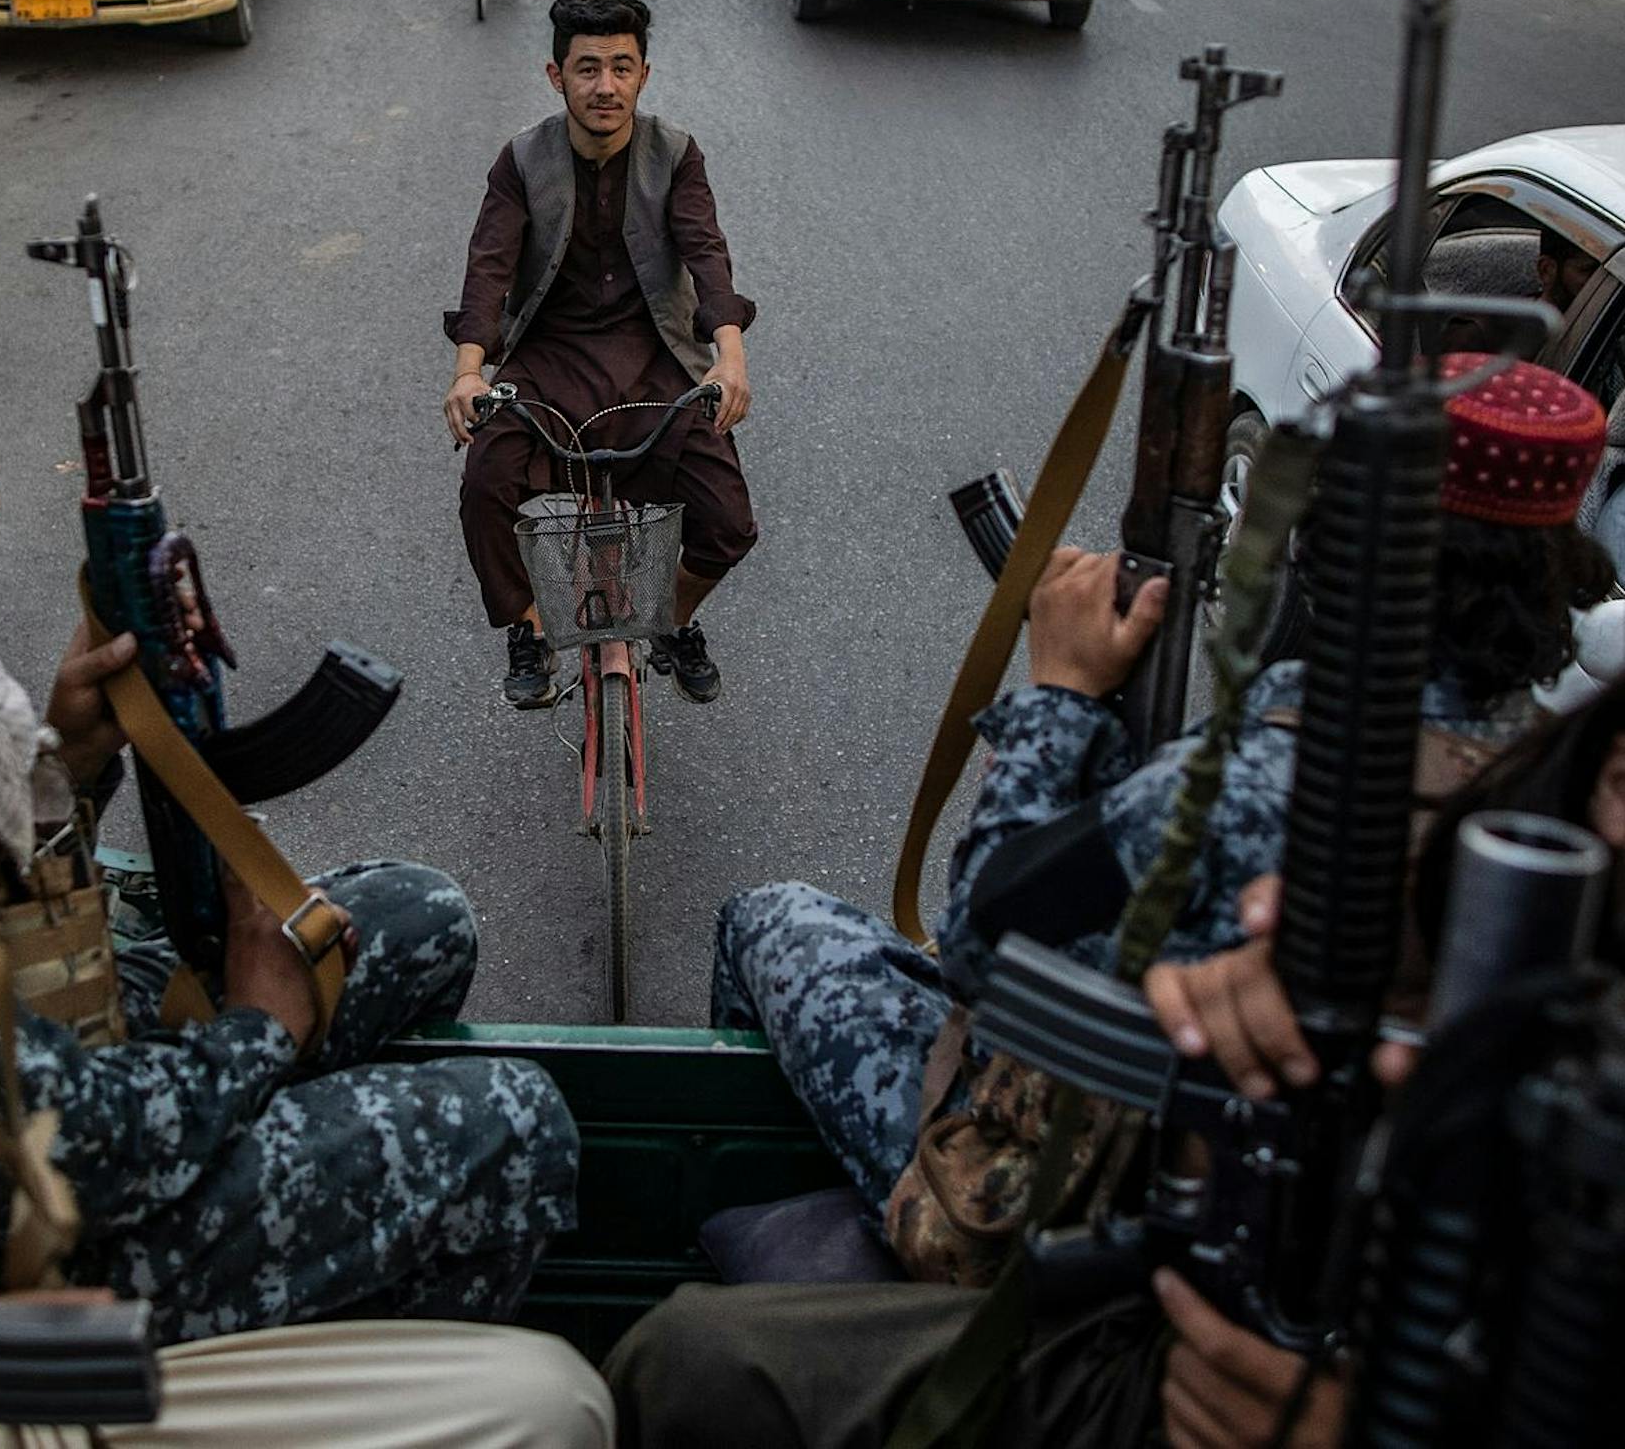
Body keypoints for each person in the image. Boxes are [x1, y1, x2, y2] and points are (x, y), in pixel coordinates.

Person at [608, 358, 1613, 1449]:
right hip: (1242, 1228)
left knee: (771, 918)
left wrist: (1059, 695)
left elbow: (985, 936)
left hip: (1069, 1205)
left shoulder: (1270, 783)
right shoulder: (1543, 802)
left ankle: (833, 1250)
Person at [0, 203, 581, 1345]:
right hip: (35, 1261)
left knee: (417, 913)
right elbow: (67, 1151)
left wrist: (71, 761)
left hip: (43, 1054)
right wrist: (254, 1032)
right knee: (513, 1122)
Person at [0, 1173, 615, 1449]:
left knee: (548, 1399)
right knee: (512, 1133)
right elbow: (104, 1139)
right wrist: (262, 1025)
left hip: (3, 1398)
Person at [443, 0, 758, 709]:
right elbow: (487, 269)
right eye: (587, 69)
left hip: (656, 356)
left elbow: (706, 253)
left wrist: (728, 357)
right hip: (548, 360)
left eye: (622, 67)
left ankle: (671, 619)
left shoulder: (674, 152)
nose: (605, 86)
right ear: (556, 76)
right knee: (485, 480)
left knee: (731, 522)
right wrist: (468, 373)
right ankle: (528, 630)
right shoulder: (522, 158)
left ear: (644, 74)